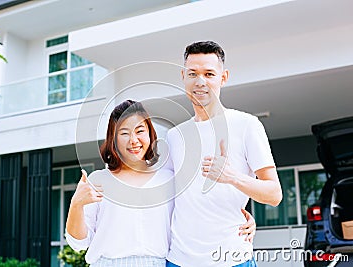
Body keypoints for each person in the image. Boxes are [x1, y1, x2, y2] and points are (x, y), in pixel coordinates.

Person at [66, 100, 256, 267]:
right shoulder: (98, 181)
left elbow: (195, 212)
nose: (133, 140)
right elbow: (79, 243)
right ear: (113, 140)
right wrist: (76, 205)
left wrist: (239, 220)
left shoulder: (168, 179)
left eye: (140, 131)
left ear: (150, 134)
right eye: (124, 133)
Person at [165, 41, 283, 267]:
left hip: (232, 258)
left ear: (224, 77)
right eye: (193, 73)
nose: (200, 82)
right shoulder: (174, 136)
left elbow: (274, 194)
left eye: (209, 73)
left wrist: (232, 177)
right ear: (183, 77)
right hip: (179, 260)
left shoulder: (247, 125)